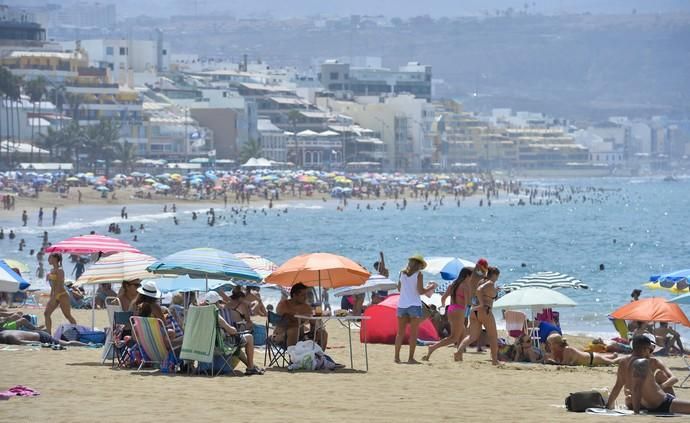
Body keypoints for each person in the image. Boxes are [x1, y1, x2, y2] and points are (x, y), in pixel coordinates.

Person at [607, 334, 690, 414]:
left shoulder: (623, 362)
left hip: (648, 406)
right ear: (645, 349)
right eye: (649, 349)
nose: (649, 352)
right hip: (663, 403)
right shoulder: (642, 362)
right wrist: (636, 412)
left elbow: (617, 387)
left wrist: (608, 406)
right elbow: (637, 388)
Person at [204, 291, 264, 375]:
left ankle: (252, 366)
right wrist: (234, 330)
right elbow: (231, 330)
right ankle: (250, 368)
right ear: (217, 303)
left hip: (204, 346)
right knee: (249, 337)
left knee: (237, 344)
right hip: (218, 346)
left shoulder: (201, 315)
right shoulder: (215, 314)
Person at [423, 267, 473, 361]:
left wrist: (442, 307)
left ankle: (459, 356)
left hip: (451, 309)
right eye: (471, 276)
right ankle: (433, 347)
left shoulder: (453, 285)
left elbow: (443, 298)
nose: (471, 279)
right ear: (467, 276)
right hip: (459, 311)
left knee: (463, 333)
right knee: (453, 338)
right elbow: (468, 303)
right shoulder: (465, 286)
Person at [455, 264, 501, 365]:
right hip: (484, 311)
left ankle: (458, 352)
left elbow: (482, 292)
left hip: (474, 311)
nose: (498, 278)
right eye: (497, 276)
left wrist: (495, 293)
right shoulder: (489, 282)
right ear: (494, 275)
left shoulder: (481, 281)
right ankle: (494, 360)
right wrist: (482, 303)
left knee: (472, 336)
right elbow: (480, 291)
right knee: (493, 337)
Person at [394, 255, 436, 364]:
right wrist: (431, 287)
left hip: (402, 305)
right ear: (419, 265)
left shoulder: (401, 273)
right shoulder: (419, 274)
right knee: (413, 334)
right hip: (414, 305)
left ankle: (397, 357)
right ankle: (410, 358)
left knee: (400, 333)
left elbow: (399, 288)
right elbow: (421, 291)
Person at [274, 283, 328, 350]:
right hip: (282, 335)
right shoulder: (284, 304)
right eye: (303, 295)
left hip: (301, 336)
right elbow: (281, 317)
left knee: (323, 333)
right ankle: (293, 357)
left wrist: (314, 323)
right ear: (294, 295)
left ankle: (319, 356)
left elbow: (312, 324)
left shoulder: (307, 308)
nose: (306, 297)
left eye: (306, 295)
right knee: (294, 330)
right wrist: (297, 316)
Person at [44, 253, 77, 334]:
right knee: (46, 313)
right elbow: (53, 286)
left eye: (50, 257)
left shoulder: (60, 270)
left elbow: (59, 285)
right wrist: (51, 295)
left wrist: (54, 297)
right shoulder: (51, 271)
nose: (48, 259)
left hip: (62, 295)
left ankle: (76, 332)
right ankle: (48, 334)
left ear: (55, 259)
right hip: (55, 294)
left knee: (67, 315)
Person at [545, 333, 624, 366]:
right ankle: (613, 355)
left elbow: (565, 364)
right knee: (609, 358)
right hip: (590, 356)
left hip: (592, 358)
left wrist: (553, 363)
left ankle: (627, 358)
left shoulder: (567, 350)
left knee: (612, 362)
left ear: (556, 344)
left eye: (550, 343)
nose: (549, 345)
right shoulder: (558, 351)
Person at [0, 329, 87, 347]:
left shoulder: (10, 337)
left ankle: (88, 345)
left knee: (67, 344)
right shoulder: (3, 332)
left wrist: (46, 345)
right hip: (36, 333)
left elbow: (36, 343)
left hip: (42, 337)